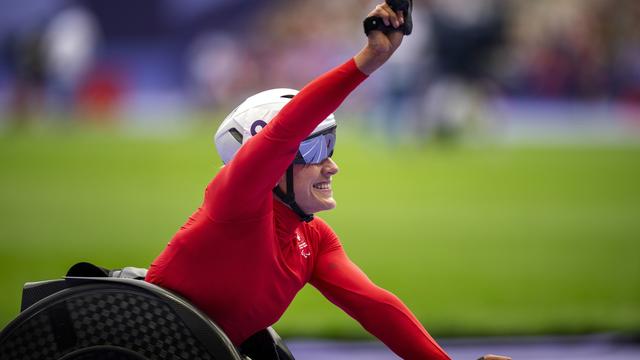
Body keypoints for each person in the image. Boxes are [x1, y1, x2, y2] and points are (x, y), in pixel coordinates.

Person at [146, 3, 452, 359]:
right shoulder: (236, 201)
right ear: (270, 162)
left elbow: (376, 308)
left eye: (330, 145)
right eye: (315, 149)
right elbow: (288, 128)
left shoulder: (314, 239)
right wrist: (371, 58)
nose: (332, 166)